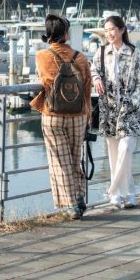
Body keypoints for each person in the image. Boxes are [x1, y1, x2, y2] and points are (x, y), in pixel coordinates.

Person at [32, 14, 92, 220]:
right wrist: (88, 115)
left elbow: (44, 82)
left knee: (60, 161)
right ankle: (79, 195)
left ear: (48, 33)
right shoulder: (80, 58)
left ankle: (72, 205)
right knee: (75, 159)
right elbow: (87, 89)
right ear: (66, 33)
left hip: (53, 114)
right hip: (78, 114)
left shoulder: (42, 56)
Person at [90, 14, 140, 210]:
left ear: (122, 30)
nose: (109, 34)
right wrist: (96, 79)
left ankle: (113, 190)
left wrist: (132, 102)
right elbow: (93, 70)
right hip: (109, 111)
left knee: (125, 149)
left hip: (129, 111)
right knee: (114, 155)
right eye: (106, 30)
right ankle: (127, 195)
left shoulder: (134, 54)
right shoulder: (101, 53)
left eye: (112, 30)